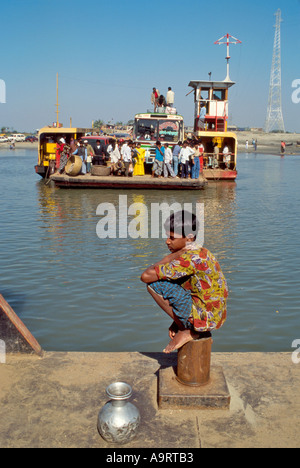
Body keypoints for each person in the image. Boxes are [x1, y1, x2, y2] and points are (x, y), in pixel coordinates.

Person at [140, 210, 228, 353]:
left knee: (154, 285)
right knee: (173, 282)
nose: (167, 241)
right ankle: (185, 324)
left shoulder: (188, 258)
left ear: (188, 238)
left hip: (204, 316)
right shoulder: (202, 251)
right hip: (213, 316)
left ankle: (187, 329)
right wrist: (175, 321)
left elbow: (145, 276)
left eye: (172, 238)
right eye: (168, 236)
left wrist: (171, 256)